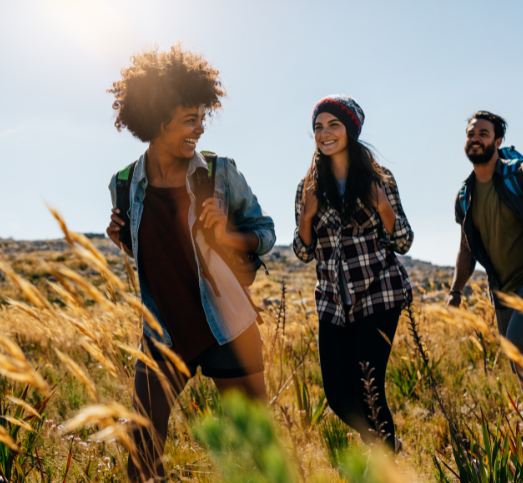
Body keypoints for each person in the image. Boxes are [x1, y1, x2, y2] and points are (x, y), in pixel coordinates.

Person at [105, 45, 275, 482]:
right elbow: (153, 255)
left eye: (203, 118)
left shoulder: (220, 173)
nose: (199, 129)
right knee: (141, 454)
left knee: (260, 452)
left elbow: (266, 233)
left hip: (227, 328)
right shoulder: (124, 184)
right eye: (189, 120)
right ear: (157, 118)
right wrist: (123, 240)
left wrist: (228, 235)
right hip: (162, 332)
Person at [293, 95, 413, 453]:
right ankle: (384, 444)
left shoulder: (379, 179)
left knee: (369, 387)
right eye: (318, 127)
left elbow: (404, 240)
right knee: (337, 394)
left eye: (333, 125)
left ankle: (383, 463)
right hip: (333, 303)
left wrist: (384, 209)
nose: (324, 133)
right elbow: (303, 252)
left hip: (379, 295)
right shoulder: (308, 187)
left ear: (351, 130)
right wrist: (306, 217)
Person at [447, 111, 523, 445]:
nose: (476, 137)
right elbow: (466, 248)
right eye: (471, 133)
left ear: (498, 141)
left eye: (484, 133)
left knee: (520, 340)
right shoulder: (466, 195)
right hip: (502, 289)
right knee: (516, 355)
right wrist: (456, 289)